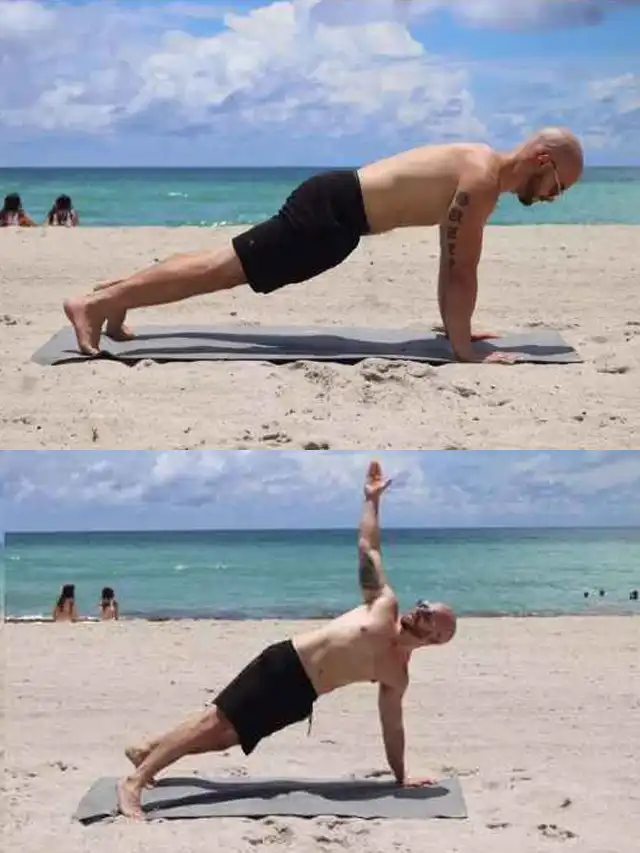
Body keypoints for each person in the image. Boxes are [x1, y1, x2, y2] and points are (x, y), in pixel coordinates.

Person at [64, 127, 583, 364]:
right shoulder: (478, 183)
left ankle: (116, 297)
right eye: (560, 186)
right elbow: (458, 268)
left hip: (337, 212)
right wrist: (465, 350)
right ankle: (94, 303)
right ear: (542, 161)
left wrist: (461, 329)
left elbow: (455, 267)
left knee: (224, 262)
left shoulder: (479, 159)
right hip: (330, 214)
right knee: (222, 268)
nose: (555, 197)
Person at [116, 459, 457, 819]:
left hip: (301, 696)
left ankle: (147, 750)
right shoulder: (383, 607)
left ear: (434, 639)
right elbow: (367, 548)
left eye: (429, 614)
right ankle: (135, 782)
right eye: (423, 605)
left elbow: (392, 725)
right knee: (211, 723)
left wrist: (401, 776)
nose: (420, 609)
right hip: (284, 665)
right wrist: (371, 499)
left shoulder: (396, 673)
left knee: (224, 739)